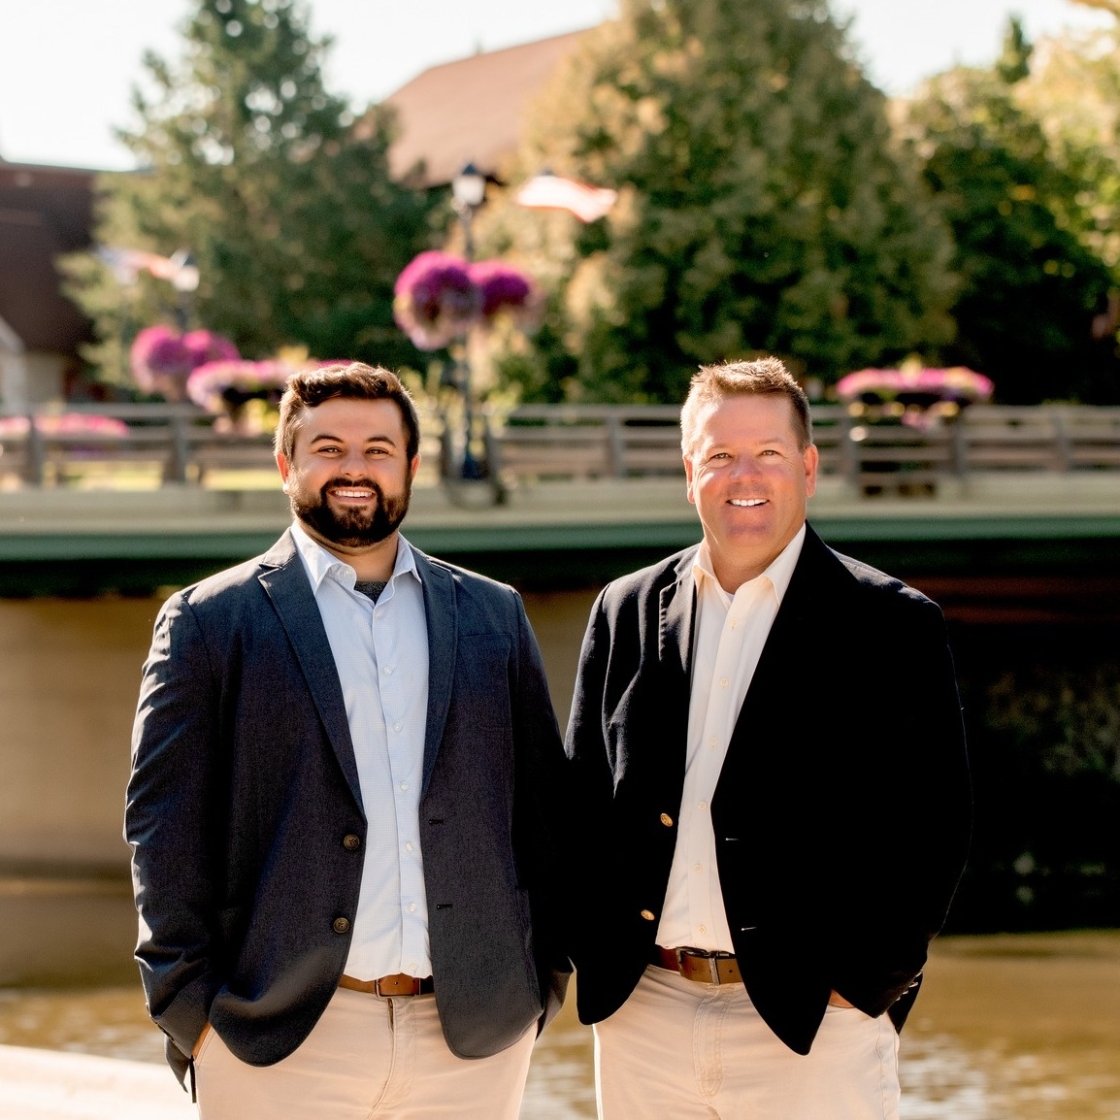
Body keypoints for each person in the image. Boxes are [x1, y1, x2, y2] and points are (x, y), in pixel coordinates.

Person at [125, 362, 567, 1119]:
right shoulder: (208, 622)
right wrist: (189, 1013)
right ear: (285, 463)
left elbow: (543, 812)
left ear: (412, 467)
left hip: (472, 1041)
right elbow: (163, 831)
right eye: (327, 448)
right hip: (279, 1039)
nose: (353, 469)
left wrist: (540, 986)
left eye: (377, 450)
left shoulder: (493, 616)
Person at [559, 358, 971, 1119]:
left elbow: (934, 828)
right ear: (690, 473)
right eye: (718, 455)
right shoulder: (623, 610)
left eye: (768, 454)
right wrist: (594, 951)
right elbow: (581, 803)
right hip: (644, 1012)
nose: (743, 475)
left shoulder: (893, 624)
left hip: (813, 1022)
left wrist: (865, 988)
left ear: (808, 469)